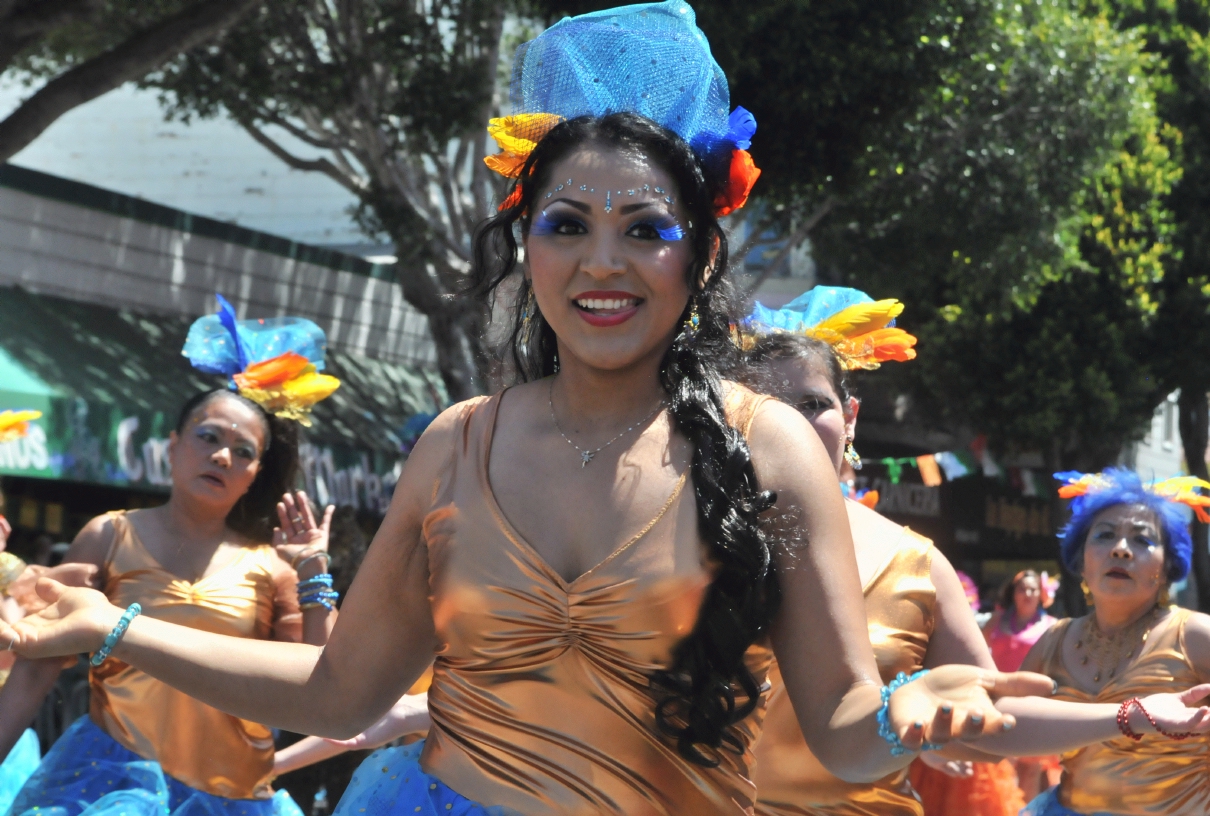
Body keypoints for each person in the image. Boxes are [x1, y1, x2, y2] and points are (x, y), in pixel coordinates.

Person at [2, 4, 1208, 815]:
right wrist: (100, 632)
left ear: (697, 255)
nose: (602, 262)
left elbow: (844, 730)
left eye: (646, 228)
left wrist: (920, 713)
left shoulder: (768, 444)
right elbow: (337, 697)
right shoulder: (455, 442)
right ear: (524, 243)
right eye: (565, 224)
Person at [0, 300, 344, 816]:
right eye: (208, 437)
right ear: (173, 445)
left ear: (255, 472)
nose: (223, 456)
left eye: (243, 450)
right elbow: (37, 666)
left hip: (233, 798)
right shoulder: (109, 534)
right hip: (105, 791)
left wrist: (313, 569)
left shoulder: (272, 569)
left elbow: (327, 692)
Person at [736, 288, 1046, 816]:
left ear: (851, 416)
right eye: (771, 406)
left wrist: (1125, 715)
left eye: (813, 404)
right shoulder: (675, 541)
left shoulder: (918, 565)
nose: (792, 425)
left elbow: (990, 714)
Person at [1019, 468, 1210, 816]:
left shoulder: (1195, 635)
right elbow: (999, 727)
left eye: (1142, 540)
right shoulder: (1053, 641)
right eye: (1105, 536)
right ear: (1082, 563)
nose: (1121, 550)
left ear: (1167, 567)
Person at [983, 570, 1060, 802]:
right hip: (997, 703)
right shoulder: (996, 621)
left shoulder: (1052, 626)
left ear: (1041, 595)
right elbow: (976, 651)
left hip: (1033, 706)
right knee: (999, 766)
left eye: (1033, 589)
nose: (1027, 594)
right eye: (1022, 589)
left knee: (1030, 767)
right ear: (1013, 593)